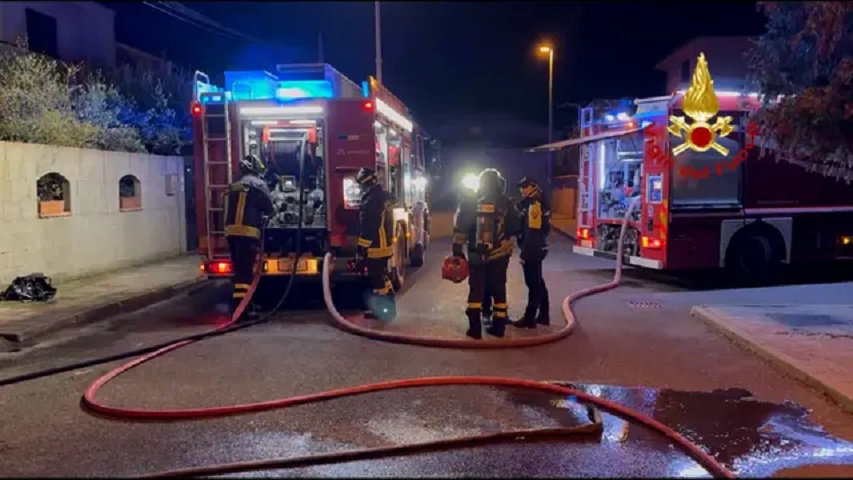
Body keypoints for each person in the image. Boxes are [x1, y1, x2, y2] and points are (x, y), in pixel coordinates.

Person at [452, 168, 521, 339]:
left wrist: (458, 252)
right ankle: (499, 329)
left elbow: (461, 229)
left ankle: (474, 330)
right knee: (499, 290)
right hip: (499, 255)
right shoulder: (506, 203)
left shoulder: (469, 201)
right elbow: (515, 227)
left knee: (476, 290)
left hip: (477, 255)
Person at [224, 154, 274, 321]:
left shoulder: (234, 186)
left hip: (231, 234)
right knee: (245, 274)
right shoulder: (259, 184)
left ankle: (242, 305)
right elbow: (269, 207)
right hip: (248, 233)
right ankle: (243, 310)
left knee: (239, 271)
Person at [354, 167, 396, 321]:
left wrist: (362, 248)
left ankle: (383, 311)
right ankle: (390, 306)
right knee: (383, 275)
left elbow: (369, 226)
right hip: (385, 243)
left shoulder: (371, 200)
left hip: (376, 245)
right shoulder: (382, 196)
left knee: (377, 278)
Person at [512, 176, 551, 328]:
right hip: (537, 247)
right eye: (521, 187)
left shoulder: (535, 205)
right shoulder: (533, 201)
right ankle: (543, 315)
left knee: (533, 283)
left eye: (525, 187)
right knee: (538, 282)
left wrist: (525, 254)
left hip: (533, 249)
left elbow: (532, 233)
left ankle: (530, 318)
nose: (522, 190)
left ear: (533, 186)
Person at [480, 174, 508, 327]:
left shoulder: (477, 201)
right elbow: (516, 225)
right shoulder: (507, 202)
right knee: (499, 285)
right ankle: (500, 319)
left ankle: (485, 313)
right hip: (501, 252)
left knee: (483, 283)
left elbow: (465, 225)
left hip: (482, 252)